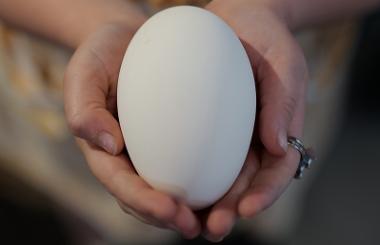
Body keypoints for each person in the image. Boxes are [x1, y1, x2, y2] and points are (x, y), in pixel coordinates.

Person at [0, 0, 378, 242]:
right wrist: (93, 19)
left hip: (279, 47)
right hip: (66, 35)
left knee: (251, 182)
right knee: (91, 202)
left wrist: (277, 8)